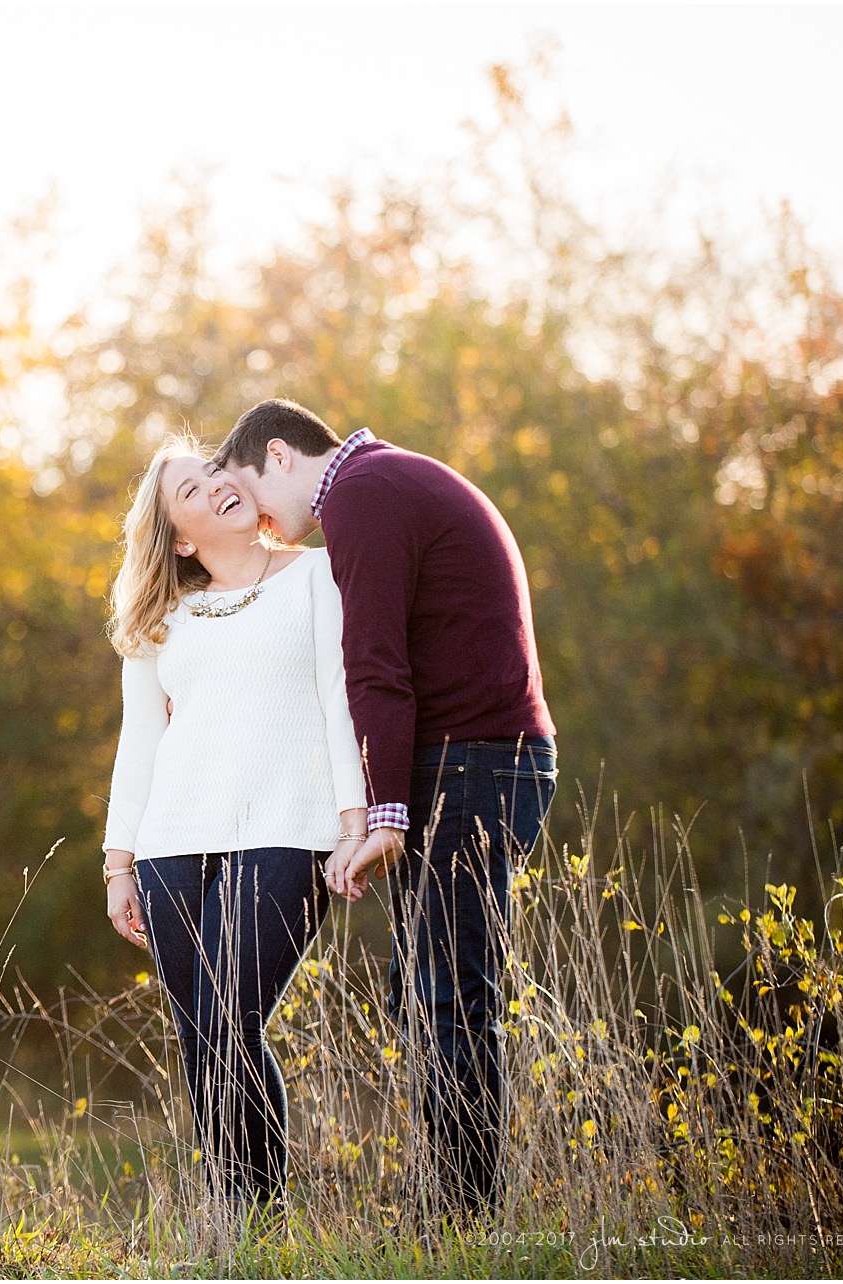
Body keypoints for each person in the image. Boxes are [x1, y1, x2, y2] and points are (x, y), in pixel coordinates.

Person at [211, 397, 558, 1219]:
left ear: (281, 457)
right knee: (429, 988)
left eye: (254, 501)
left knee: (450, 999)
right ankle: (453, 1202)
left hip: (472, 766)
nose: (264, 526)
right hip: (481, 761)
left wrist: (385, 814)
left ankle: (464, 1220)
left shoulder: (362, 494)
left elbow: (375, 666)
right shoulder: (390, 479)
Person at [102, 434, 367, 1209]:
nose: (217, 482)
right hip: (171, 845)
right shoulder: (161, 618)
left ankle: (259, 1219)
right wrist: (120, 863)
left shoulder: (317, 575)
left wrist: (353, 821)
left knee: (229, 1020)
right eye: (191, 488)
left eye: (216, 470)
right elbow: (140, 743)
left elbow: (338, 699)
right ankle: (240, 1227)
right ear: (181, 536)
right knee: (202, 1041)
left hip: (289, 828)